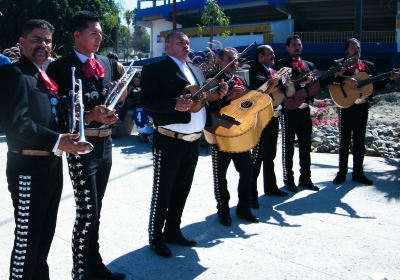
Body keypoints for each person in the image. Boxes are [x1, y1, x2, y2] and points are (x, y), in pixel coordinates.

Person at [0, 19, 88, 280]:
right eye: (37, 39)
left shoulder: (42, 75)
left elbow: (50, 119)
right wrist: (58, 140)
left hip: (51, 165)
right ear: (22, 42)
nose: (43, 45)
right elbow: (16, 123)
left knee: (44, 235)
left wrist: (74, 122)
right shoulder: (12, 74)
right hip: (27, 169)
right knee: (28, 239)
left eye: (47, 40)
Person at [47, 11, 125, 280]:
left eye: (101, 33)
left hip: (106, 144)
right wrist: (92, 115)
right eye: (93, 33)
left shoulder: (104, 61)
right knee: (87, 211)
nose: (99, 37)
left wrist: (115, 109)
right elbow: (59, 112)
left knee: (97, 209)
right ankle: (80, 271)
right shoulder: (58, 67)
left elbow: (110, 100)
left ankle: (95, 264)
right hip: (81, 146)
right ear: (76, 35)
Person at [140, 31, 228, 257]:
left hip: (192, 142)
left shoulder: (195, 71)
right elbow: (147, 102)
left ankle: (173, 231)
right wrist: (174, 104)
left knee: (181, 190)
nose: (186, 45)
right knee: (163, 191)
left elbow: (199, 101)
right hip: (169, 139)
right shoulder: (155, 69)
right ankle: (156, 237)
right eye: (180, 42)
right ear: (167, 46)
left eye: (188, 42)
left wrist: (216, 95)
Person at [331, 38, 399, 185]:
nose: (356, 50)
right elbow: (330, 79)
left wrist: (390, 79)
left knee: (359, 142)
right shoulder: (339, 64)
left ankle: (358, 173)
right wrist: (346, 80)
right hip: (345, 106)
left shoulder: (368, 66)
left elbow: (377, 85)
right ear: (346, 51)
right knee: (344, 142)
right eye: (353, 47)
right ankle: (341, 173)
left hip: (362, 107)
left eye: (358, 48)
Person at [208, 47, 259, 226]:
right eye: (230, 59)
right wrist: (229, 97)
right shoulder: (214, 80)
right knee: (220, 174)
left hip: (239, 133)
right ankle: (223, 209)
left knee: (247, 171)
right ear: (220, 61)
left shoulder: (239, 79)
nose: (234, 62)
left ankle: (244, 208)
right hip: (222, 134)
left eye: (236, 59)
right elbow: (211, 109)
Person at [275, 35, 319, 193]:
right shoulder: (281, 65)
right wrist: (301, 83)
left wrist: (311, 88)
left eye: (299, 45)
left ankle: (305, 179)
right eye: (293, 45)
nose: (297, 47)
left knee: (305, 146)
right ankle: (289, 180)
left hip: (305, 110)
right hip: (288, 111)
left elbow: (313, 89)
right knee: (288, 147)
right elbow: (281, 88)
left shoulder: (310, 65)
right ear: (287, 48)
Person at [249, 45, 288, 208]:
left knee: (270, 155)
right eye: (270, 53)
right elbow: (261, 88)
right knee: (257, 157)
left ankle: (271, 187)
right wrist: (277, 80)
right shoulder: (255, 69)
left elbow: (285, 91)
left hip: (274, 118)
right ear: (260, 57)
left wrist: (288, 83)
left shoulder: (273, 71)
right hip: (262, 120)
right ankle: (251, 194)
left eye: (273, 53)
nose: (274, 55)